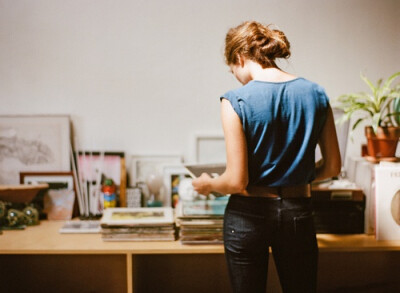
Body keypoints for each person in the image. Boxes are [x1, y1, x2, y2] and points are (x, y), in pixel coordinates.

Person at [192, 21, 341, 293]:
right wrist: (300, 177)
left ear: (239, 58)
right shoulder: (316, 94)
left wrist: (208, 183)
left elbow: (237, 181)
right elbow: (332, 166)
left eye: (232, 70)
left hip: (248, 215)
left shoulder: (235, 101)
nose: (235, 76)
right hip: (298, 211)